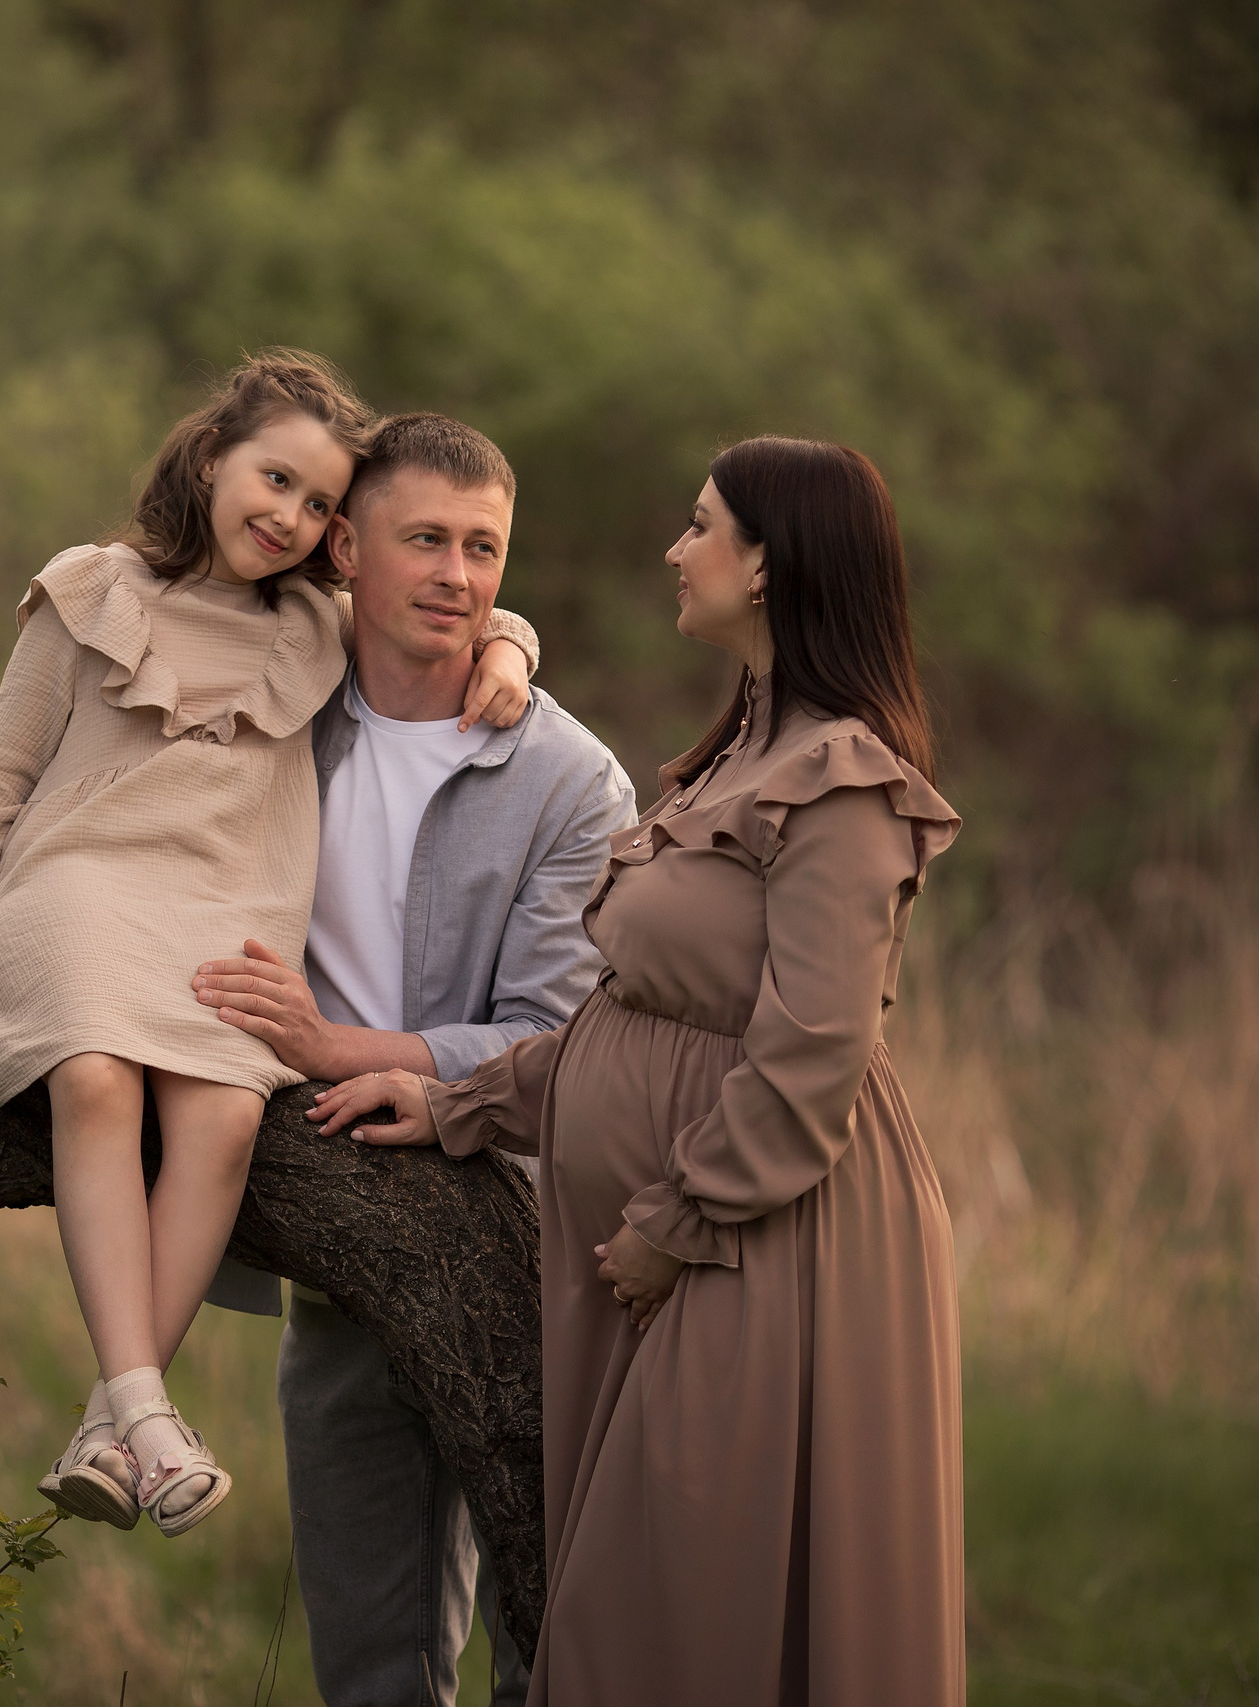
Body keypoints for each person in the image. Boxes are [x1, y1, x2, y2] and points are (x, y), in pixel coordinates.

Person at [0, 351, 540, 1538]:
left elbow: (451, 602)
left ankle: (106, 1427)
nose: (288, 517)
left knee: (225, 1115)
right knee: (95, 1079)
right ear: (209, 459)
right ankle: (148, 1409)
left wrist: (509, 652)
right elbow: (0, 778)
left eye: (317, 505)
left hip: (218, 908)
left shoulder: (314, 625)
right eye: (274, 479)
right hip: (77, 884)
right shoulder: (92, 592)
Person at [315, 436, 965, 1704]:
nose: (676, 548)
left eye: (701, 525)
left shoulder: (841, 779)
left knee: (682, 1606)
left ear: (767, 565)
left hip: (760, 1249)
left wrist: (677, 1220)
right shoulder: (738, 752)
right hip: (676, 1245)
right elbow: (635, 1023)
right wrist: (460, 1101)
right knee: (652, 1611)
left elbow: (815, 1048)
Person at [187, 413, 634, 1707]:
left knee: (556, 1656)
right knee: (369, 1668)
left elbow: (561, 1038)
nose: (456, 574)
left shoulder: (568, 781)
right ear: (343, 548)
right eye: (425, 539)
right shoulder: (272, 712)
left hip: (528, 1251)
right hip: (340, 1245)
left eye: (484, 548)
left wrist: (334, 1045)